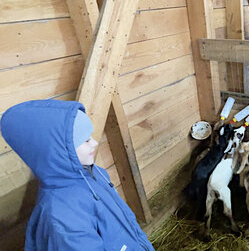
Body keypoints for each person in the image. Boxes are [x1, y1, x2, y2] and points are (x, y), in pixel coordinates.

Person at [0, 100, 154, 251]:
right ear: (59, 152)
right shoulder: (63, 216)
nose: (94, 143)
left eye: (91, 136)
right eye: (85, 140)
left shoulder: (94, 174)